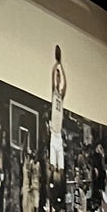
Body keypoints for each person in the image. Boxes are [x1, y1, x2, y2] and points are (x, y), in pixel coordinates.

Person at [48, 45, 66, 182]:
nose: (58, 79)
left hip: (59, 136)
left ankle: (59, 190)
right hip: (54, 134)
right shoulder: (54, 94)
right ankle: (50, 187)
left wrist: (62, 68)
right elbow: (52, 77)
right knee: (53, 167)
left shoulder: (61, 95)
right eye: (57, 78)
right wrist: (56, 65)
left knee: (61, 169)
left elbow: (65, 85)